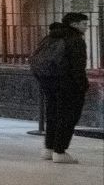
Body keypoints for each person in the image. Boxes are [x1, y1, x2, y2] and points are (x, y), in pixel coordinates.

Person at [33, 11, 91, 163]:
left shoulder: (51, 36)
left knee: (52, 114)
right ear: (74, 24)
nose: (86, 27)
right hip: (67, 83)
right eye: (84, 24)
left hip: (48, 81)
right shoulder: (75, 39)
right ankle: (60, 151)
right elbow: (78, 66)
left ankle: (49, 149)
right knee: (68, 116)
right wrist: (83, 85)